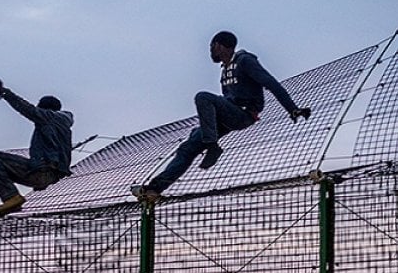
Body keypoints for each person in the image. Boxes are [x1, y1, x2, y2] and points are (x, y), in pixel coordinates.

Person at [132, 31, 311, 203]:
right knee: (188, 147)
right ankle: (154, 189)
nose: (211, 51)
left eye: (212, 46)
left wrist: (292, 108)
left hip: (243, 114)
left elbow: (270, 83)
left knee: (202, 96)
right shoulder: (225, 69)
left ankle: (212, 145)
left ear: (220, 46)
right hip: (227, 115)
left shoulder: (245, 61)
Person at [0, 79, 74, 215]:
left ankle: (11, 197)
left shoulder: (49, 117)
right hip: (49, 175)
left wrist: (5, 92)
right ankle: (12, 205)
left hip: (41, 171)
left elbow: (26, 108)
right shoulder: (63, 126)